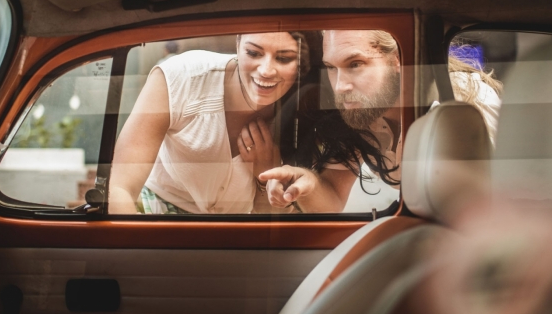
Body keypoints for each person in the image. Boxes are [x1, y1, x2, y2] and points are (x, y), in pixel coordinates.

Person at [107, 32, 309, 214]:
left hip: (238, 239)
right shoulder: (181, 77)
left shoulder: (304, 110)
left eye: (283, 58)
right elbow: (119, 188)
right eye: (254, 53)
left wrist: (264, 178)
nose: (266, 70)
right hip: (157, 222)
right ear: (237, 43)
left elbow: (271, 225)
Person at [257, 30, 402, 213]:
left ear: (397, 59)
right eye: (331, 68)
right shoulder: (360, 117)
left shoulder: (440, 113)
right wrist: (306, 183)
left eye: (355, 64)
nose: (340, 86)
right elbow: (332, 199)